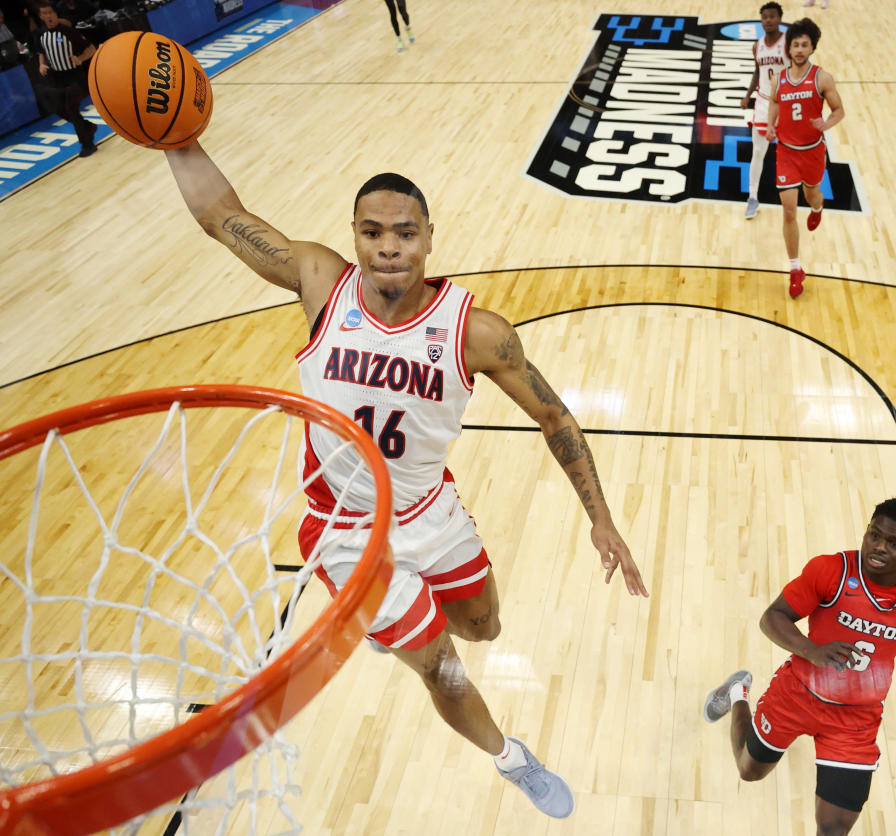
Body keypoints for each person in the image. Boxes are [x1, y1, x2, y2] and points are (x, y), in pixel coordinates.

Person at [162, 140, 649, 819]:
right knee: (445, 669)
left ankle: (413, 621)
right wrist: (178, 141)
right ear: (354, 238)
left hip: (429, 511)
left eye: (404, 232)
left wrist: (601, 518)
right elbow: (222, 215)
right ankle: (511, 757)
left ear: (427, 241)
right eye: (371, 232)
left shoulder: (475, 333)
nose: (387, 246)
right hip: (346, 535)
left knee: (486, 627)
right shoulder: (319, 284)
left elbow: (554, 417)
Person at [703, 498, 896, 836]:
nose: (878, 547)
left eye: (893, 543)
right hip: (796, 696)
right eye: (874, 535)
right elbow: (772, 617)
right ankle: (738, 691)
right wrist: (811, 650)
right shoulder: (832, 571)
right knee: (749, 770)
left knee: (833, 829)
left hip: (855, 721)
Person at [764, 17, 843, 298]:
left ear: (812, 48)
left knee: (812, 196)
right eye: (795, 44)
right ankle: (795, 268)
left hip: (812, 152)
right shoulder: (778, 78)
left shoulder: (822, 78)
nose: (799, 49)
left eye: (804, 45)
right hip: (785, 150)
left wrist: (827, 123)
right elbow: (774, 102)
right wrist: (771, 124)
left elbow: (838, 111)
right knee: (787, 209)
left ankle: (818, 208)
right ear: (789, 48)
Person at [29, 2, 96, 157]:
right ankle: (88, 127)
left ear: (56, 14)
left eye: (50, 13)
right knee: (60, 110)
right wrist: (41, 65)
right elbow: (41, 52)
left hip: (74, 77)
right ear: (41, 17)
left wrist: (80, 58)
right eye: (44, 14)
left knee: (72, 110)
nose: (48, 16)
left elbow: (91, 48)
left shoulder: (68, 32)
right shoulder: (40, 34)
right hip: (57, 78)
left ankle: (87, 144)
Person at [738, 2, 785, 220]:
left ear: (780, 18)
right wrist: (748, 95)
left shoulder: (788, 43)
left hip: (787, 102)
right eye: (764, 17)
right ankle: (753, 197)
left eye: (772, 16)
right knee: (758, 152)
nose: (768, 20)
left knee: (792, 151)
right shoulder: (757, 46)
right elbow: (757, 72)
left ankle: (802, 192)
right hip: (764, 102)